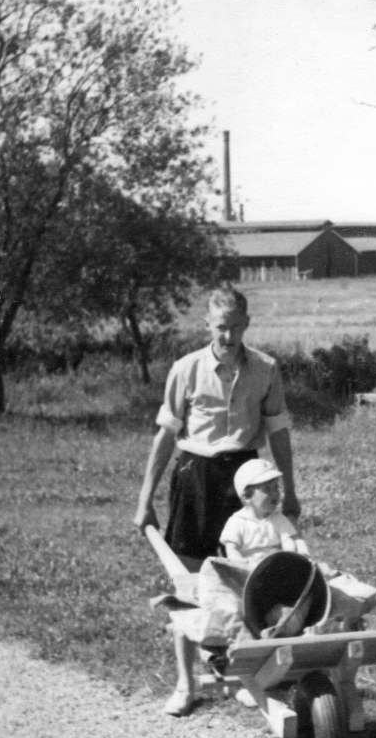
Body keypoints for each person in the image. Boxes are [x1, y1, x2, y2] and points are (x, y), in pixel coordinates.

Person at [133, 285, 300, 571]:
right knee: (190, 565)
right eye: (221, 327)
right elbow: (166, 435)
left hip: (246, 473)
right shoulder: (186, 369)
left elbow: (278, 432)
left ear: (247, 323)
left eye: (236, 327)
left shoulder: (266, 368)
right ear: (207, 324)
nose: (229, 336)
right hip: (195, 473)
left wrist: (291, 492)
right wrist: (144, 500)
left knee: (249, 561)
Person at [162, 458, 312, 716]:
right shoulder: (237, 522)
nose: (276, 494)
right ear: (246, 495)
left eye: (277, 487)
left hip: (276, 576)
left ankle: (282, 659)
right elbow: (232, 556)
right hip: (245, 580)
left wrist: (301, 558)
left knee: (294, 606)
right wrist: (247, 568)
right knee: (231, 612)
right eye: (268, 489)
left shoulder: (278, 521)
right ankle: (239, 669)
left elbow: (292, 543)